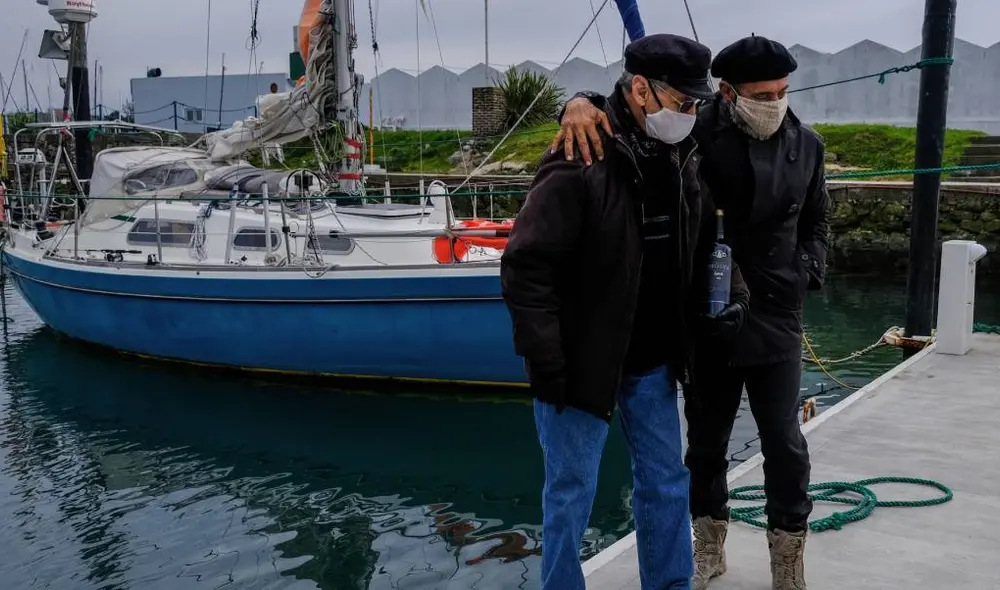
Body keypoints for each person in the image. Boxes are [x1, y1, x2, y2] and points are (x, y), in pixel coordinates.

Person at [551, 34, 831, 590]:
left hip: (777, 313)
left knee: (784, 442)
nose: (774, 103)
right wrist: (576, 101)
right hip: (709, 316)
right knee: (704, 446)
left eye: (782, 92)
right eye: (761, 93)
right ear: (727, 93)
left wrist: (806, 271)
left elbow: (818, 220)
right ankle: (708, 548)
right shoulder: (695, 132)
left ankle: (788, 562)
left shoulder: (809, 144)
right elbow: (630, 116)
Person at [501, 33, 750, 590]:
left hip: (654, 359)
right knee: (570, 492)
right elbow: (525, 267)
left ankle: (670, 584)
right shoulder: (578, 157)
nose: (692, 114)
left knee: (666, 480)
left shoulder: (682, 156)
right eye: (684, 103)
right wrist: (546, 360)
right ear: (641, 90)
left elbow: (707, 240)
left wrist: (733, 295)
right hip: (577, 364)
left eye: (697, 105)